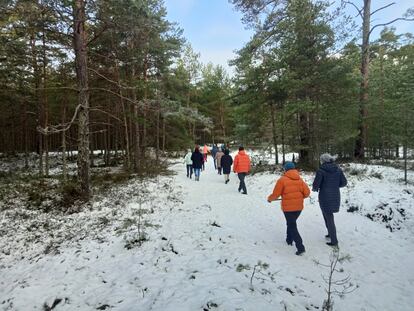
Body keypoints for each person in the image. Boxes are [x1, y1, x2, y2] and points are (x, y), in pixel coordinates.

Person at [267, 162, 310, 256]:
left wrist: (270, 199)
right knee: (291, 223)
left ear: (285, 170)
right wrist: (299, 196)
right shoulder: (300, 179)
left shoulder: (282, 180)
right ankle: (289, 239)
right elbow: (307, 193)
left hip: (288, 208)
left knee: (292, 225)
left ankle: (300, 247)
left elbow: (276, 194)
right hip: (298, 207)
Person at [312, 153, 347, 247]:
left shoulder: (321, 171)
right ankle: (330, 234)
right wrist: (334, 186)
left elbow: (316, 185)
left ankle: (334, 241)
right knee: (326, 214)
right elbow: (344, 183)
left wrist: (315, 189)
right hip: (335, 195)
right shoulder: (338, 170)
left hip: (324, 196)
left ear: (323, 160)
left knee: (328, 216)